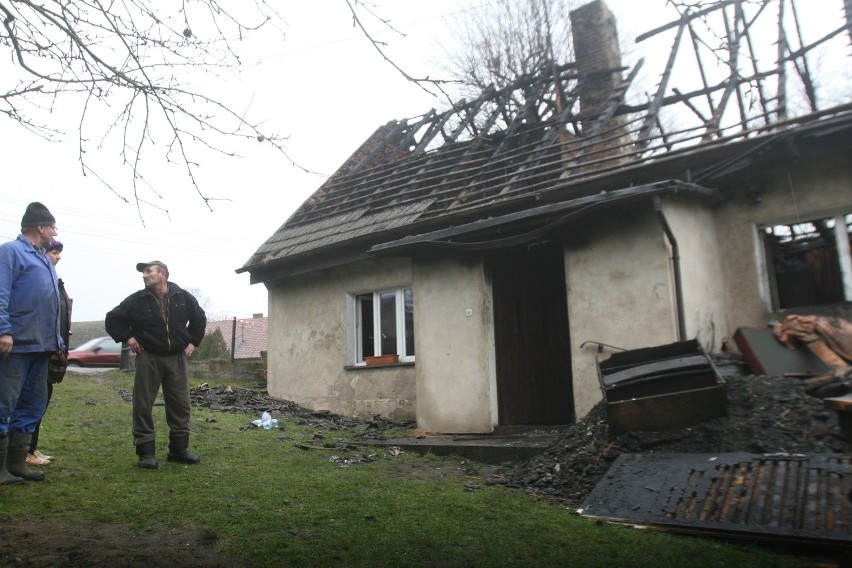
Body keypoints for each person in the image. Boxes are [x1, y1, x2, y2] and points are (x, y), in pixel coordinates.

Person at [105, 261, 206, 469]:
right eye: (143, 272)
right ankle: (146, 453)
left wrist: (193, 342)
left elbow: (199, 318)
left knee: (180, 403)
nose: (144, 275)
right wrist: (128, 338)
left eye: (148, 271)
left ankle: (178, 450)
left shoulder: (183, 297)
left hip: (177, 358)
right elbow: (113, 319)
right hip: (148, 356)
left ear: (163, 274)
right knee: (143, 404)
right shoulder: (137, 300)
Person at [0, 202, 64, 484]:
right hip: (16, 345)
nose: (54, 232)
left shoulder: (42, 257)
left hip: (42, 346)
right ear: (40, 227)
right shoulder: (10, 253)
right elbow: (0, 293)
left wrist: (57, 340)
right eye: (52, 227)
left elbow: (50, 305)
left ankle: (17, 463)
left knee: (32, 404)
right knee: (4, 404)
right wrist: (4, 331)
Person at [28, 238, 72, 466]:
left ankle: (31, 448)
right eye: (54, 251)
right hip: (36, 349)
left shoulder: (56, 282)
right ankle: (24, 451)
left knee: (41, 399)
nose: (58, 256)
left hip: (51, 350)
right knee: (32, 399)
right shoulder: (36, 279)